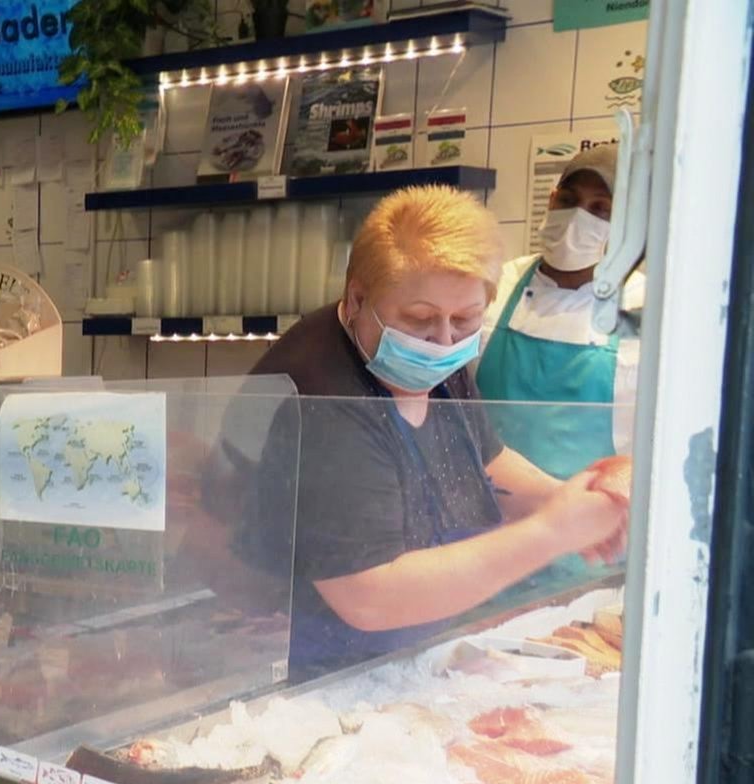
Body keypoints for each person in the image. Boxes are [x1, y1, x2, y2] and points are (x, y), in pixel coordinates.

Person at [243, 186, 629, 680]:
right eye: (421, 319)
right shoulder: (323, 395)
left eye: (466, 320)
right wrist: (551, 532)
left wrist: (583, 503)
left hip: (399, 660)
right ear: (358, 298)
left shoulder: (430, 360)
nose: (444, 342)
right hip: (310, 674)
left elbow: (488, 460)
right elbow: (371, 598)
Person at [476, 143, 646, 477]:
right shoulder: (499, 284)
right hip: (489, 508)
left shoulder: (644, 306)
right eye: (568, 201)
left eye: (601, 209)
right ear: (552, 201)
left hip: (591, 518)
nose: (577, 218)